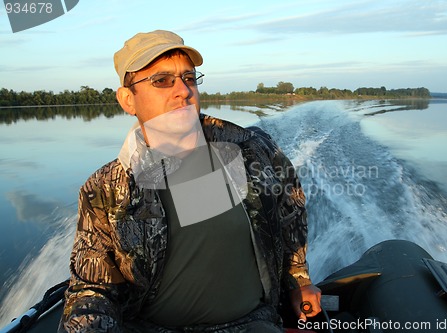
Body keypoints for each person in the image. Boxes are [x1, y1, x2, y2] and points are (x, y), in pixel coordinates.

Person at [58, 30, 321, 333]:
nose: (182, 91)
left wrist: (299, 281)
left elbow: (291, 210)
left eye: (189, 78)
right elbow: (93, 288)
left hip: (251, 323)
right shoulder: (104, 189)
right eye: (162, 81)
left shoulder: (251, 150)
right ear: (128, 99)